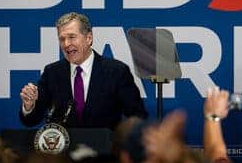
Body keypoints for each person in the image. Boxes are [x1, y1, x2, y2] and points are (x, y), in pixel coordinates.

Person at [19, 12, 148, 129]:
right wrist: (29, 106)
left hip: (104, 151)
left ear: (88, 38)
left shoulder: (116, 71)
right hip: (63, 152)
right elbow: (31, 121)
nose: (66, 44)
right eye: (62, 39)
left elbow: (137, 117)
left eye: (71, 37)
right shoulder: (52, 73)